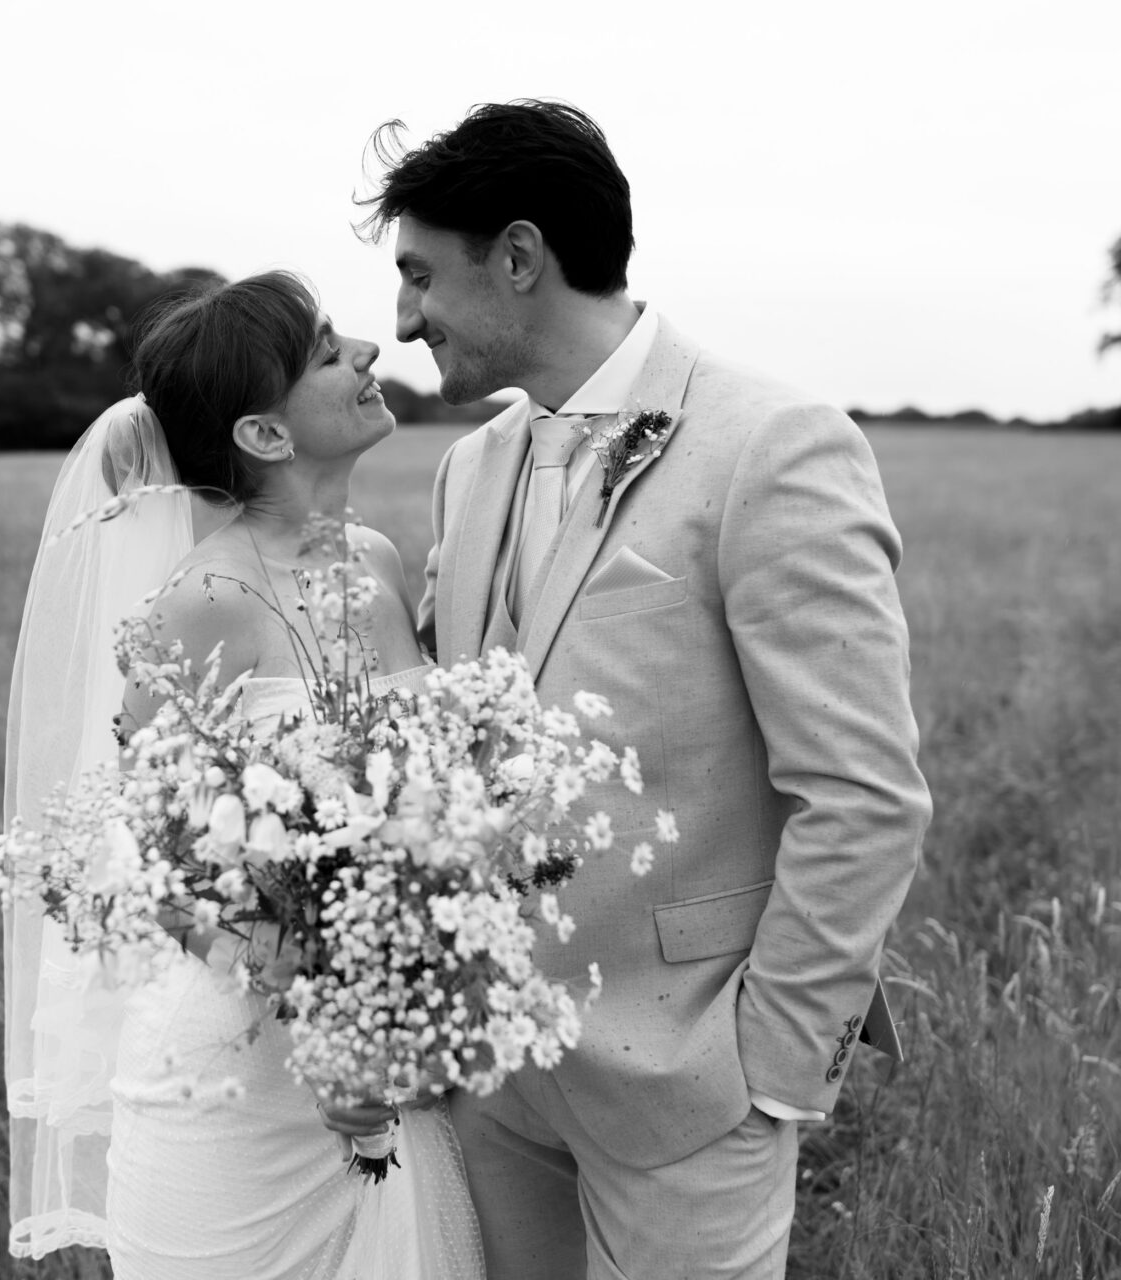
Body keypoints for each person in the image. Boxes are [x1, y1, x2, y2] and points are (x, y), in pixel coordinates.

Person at [360, 101, 934, 1278]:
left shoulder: (771, 443)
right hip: (493, 1067)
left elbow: (864, 793)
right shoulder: (471, 467)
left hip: (691, 1080)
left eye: (419, 275)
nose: (403, 318)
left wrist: (767, 1070)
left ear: (519, 258)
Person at [1, 271, 483, 1278]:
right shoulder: (200, 600)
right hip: (237, 1069)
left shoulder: (380, 559)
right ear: (264, 435)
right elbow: (153, 868)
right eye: (324, 352)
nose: (367, 350)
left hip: (386, 1049)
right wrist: (316, 1012)